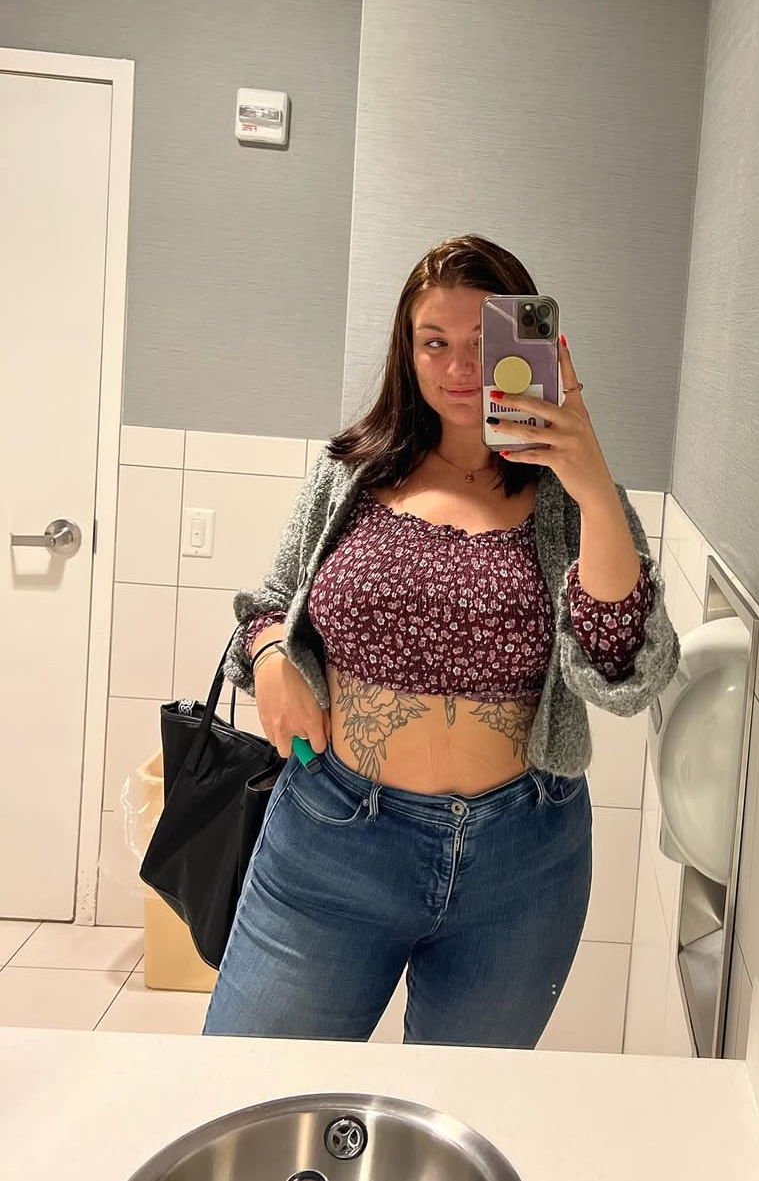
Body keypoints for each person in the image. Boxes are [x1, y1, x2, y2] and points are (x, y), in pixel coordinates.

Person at [203, 235, 679, 1046]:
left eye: (484, 343)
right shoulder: (351, 471)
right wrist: (273, 656)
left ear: (532, 347)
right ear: (407, 350)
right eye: (435, 342)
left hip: (522, 863)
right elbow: (269, 605)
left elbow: (623, 667)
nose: (460, 367)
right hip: (332, 838)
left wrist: (592, 479)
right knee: (252, 1084)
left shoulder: (571, 496)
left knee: (457, 1113)